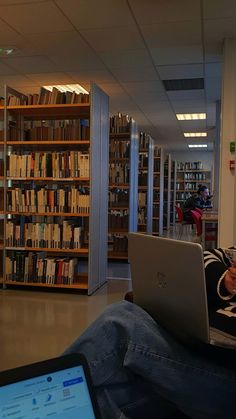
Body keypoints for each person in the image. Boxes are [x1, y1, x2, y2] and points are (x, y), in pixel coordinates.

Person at [63, 248, 236, 419]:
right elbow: (204, 256)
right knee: (94, 399)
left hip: (223, 374)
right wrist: (224, 278)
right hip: (194, 351)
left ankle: (44, 390)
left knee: (120, 321)